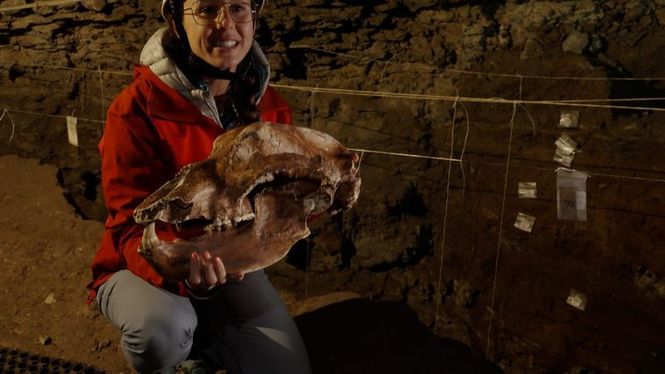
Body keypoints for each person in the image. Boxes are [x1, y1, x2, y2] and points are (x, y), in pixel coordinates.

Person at [86, 0, 312, 372]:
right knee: (161, 331)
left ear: (254, 19)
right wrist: (182, 269)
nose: (226, 23)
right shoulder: (136, 109)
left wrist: (313, 196)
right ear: (176, 20)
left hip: (229, 267)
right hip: (147, 269)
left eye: (238, 8)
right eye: (207, 8)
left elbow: (277, 208)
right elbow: (129, 226)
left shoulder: (269, 110)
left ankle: (204, 344)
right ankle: (177, 350)